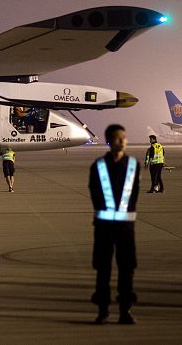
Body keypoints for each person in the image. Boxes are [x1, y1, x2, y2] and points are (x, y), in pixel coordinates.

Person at [88, 124, 140, 325]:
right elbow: (94, 191)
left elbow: (134, 192)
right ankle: (103, 310)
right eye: (119, 138)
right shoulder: (99, 165)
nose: (123, 142)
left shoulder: (134, 165)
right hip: (104, 227)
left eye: (124, 138)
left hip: (126, 228)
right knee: (103, 269)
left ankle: (125, 310)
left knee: (127, 270)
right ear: (110, 141)